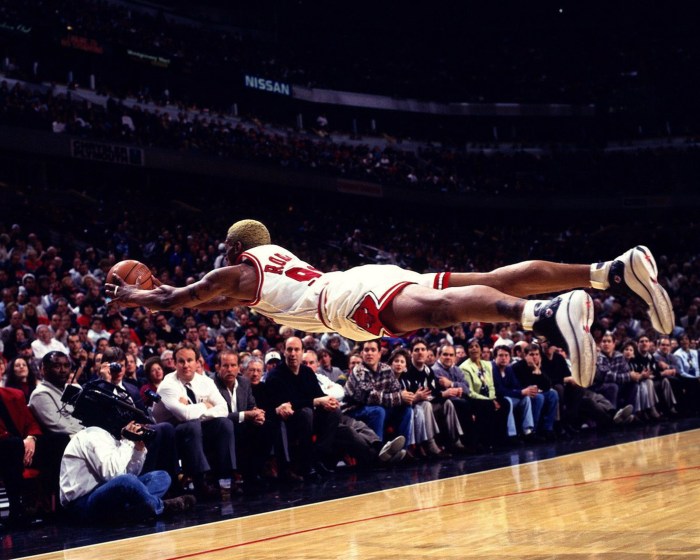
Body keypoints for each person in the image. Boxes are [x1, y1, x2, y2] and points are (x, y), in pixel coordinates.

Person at [106, 220, 675, 388]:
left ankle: (545, 316)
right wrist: (157, 299)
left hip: (342, 298)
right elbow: (198, 307)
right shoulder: (261, 274)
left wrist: (135, 293)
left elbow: (183, 297)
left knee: (441, 311)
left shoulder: (234, 270)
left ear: (233, 249)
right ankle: (610, 271)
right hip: (361, 280)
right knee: (492, 277)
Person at [59, 420, 195, 523]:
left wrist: (138, 450)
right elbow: (113, 475)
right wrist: (128, 441)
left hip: (108, 496)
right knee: (127, 481)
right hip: (81, 504)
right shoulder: (90, 435)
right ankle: (161, 507)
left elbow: (130, 472)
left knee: (162, 476)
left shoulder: (109, 437)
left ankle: (134, 512)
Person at [152, 343, 236, 499]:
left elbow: (223, 409)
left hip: (197, 427)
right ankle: (200, 483)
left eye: (189, 360)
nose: (185, 365)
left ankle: (225, 480)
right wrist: (205, 405)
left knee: (225, 424)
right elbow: (184, 416)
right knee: (191, 425)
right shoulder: (167, 385)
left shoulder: (205, 381)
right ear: (175, 363)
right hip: (172, 435)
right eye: (181, 361)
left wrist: (197, 412)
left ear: (198, 362)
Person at [265, 337, 341, 480]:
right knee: (306, 413)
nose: (293, 353)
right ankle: (306, 465)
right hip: (287, 421)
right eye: (289, 349)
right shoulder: (275, 375)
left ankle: (317, 457)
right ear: (284, 352)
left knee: (334, 411)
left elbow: (318, 395)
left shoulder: (307, 372)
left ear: (302, 352)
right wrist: (316, 401)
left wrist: (329, 401)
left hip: (309, 417)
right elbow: (286, 404)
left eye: (296, 350)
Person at [0, 385, 43, 526]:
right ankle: (16, 508)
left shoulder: (16, 395)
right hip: (8, 447)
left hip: (19, 447)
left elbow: (31, 423)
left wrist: (31, 438)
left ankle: (55, 508)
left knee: (57, 441)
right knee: (11, 445)